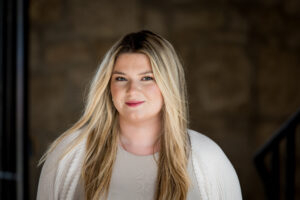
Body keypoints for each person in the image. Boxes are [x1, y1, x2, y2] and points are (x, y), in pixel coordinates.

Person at [37, 30, 242, 200]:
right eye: (120, 78)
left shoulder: (208, 157)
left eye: (146, 78)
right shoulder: (69, 154)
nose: (132, 90)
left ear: (167, 83)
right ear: (108, 86)